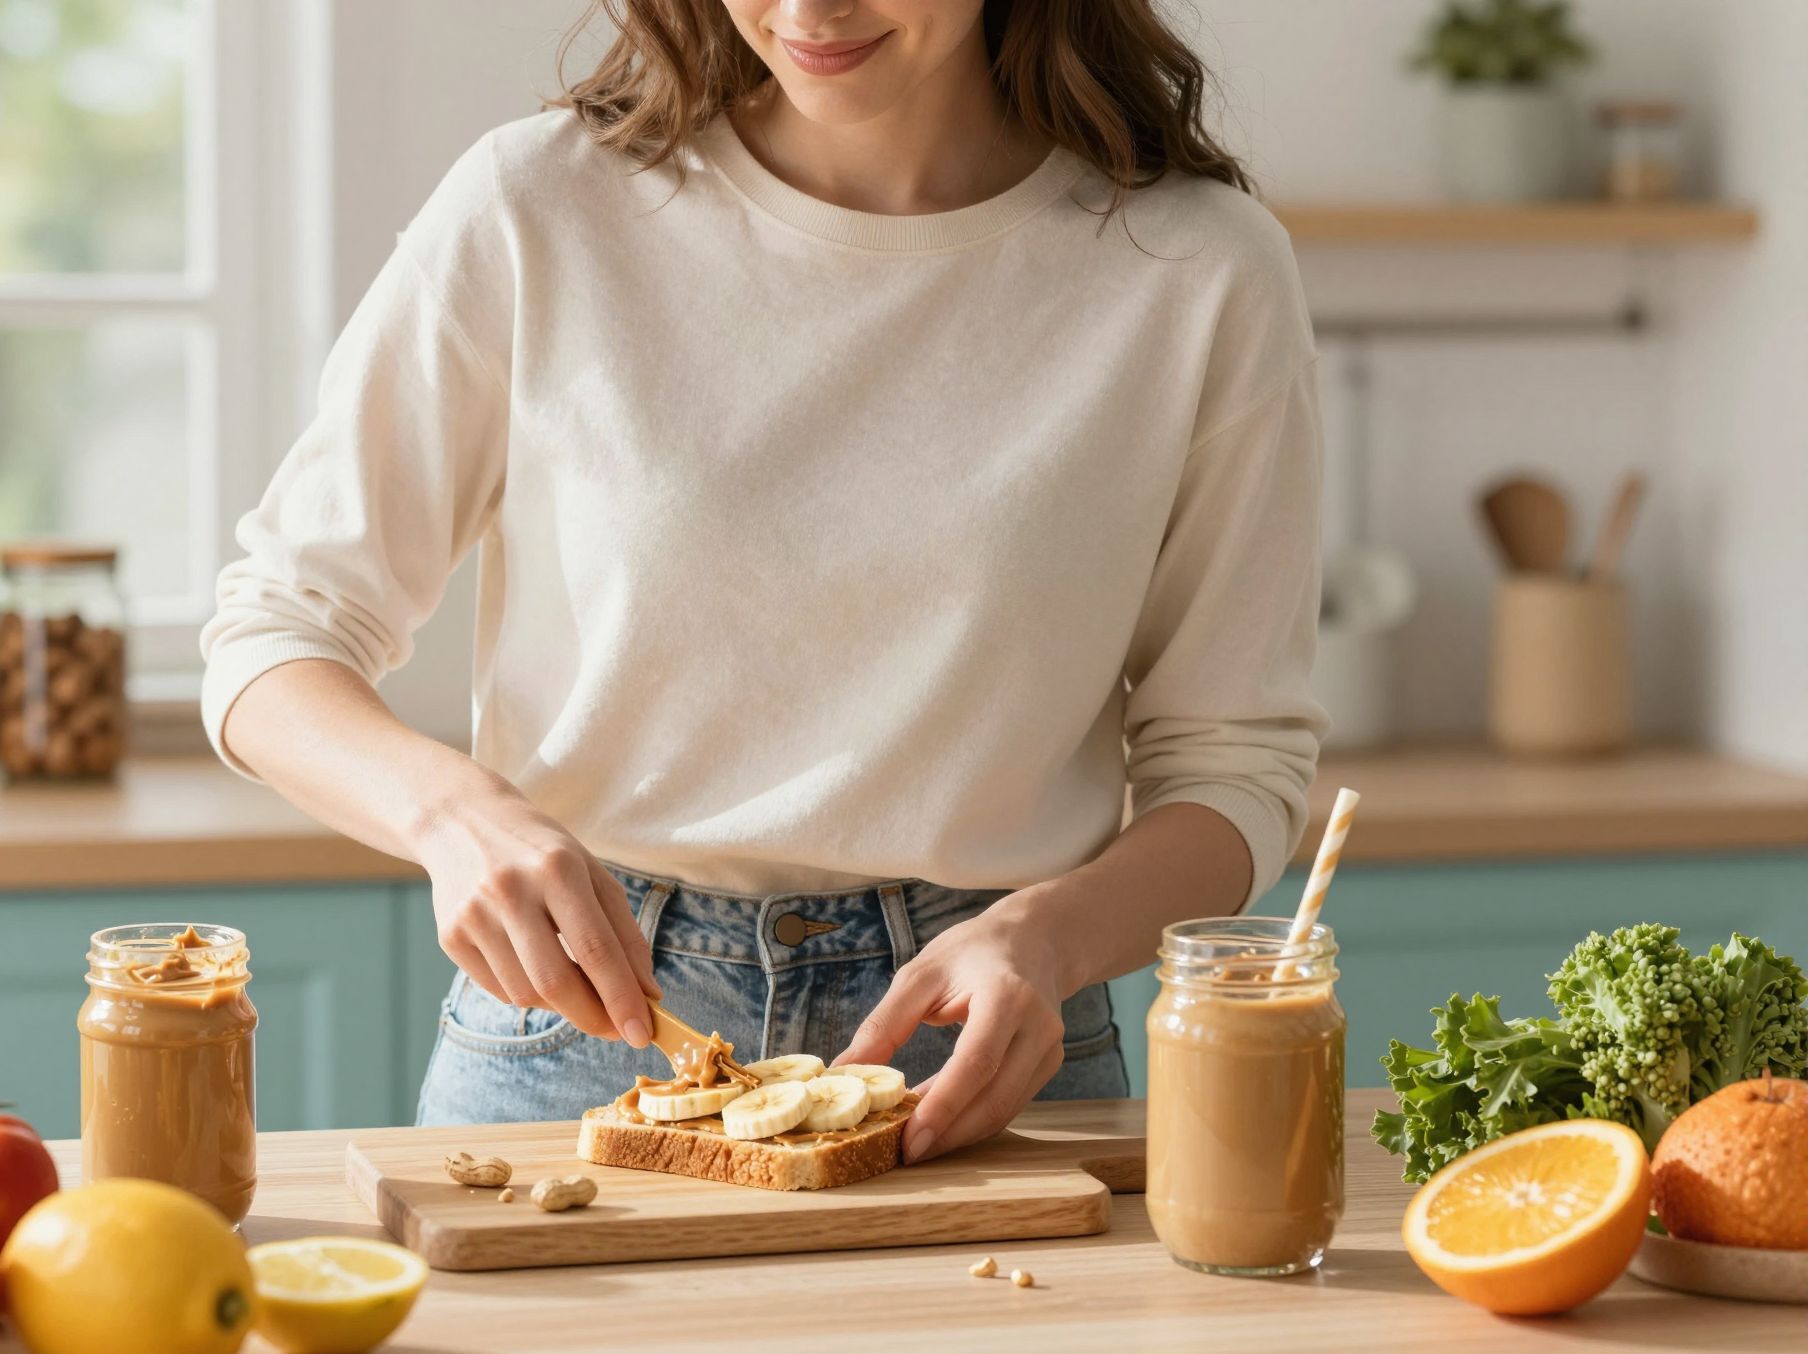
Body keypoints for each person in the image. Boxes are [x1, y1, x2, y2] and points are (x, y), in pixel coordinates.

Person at [201, 0, 1325, 1163]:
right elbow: (272, 637)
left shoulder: (1198, 269)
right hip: (577, 1033)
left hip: (987, 1055)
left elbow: (1235, 763)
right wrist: (454, 819)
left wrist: (1048, 938)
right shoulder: (538, 205)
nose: (805, 11)